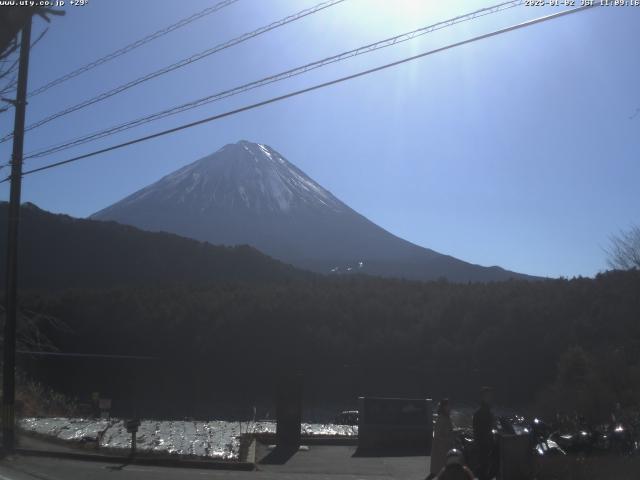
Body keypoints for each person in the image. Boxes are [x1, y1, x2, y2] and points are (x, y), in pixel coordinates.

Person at [429, 398, 456, 479]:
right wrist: (449, 439)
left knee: (439, 473)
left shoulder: (446, 418)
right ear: (444, 407)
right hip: (441, 451)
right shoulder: (441, 419)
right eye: (448, 406)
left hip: (445, 450)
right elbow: (438, 435)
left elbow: (448, 431)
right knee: (438, 473)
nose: (450, 407)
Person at [472, 387, 495, 480]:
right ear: (483, 397)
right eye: (487, 396)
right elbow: (478, 430)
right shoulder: (480, 413)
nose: (490, 398)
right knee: (484, 469)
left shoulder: (488, 411)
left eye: (490, 396)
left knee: (486, 469)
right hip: (483, 445)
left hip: (487, 444)